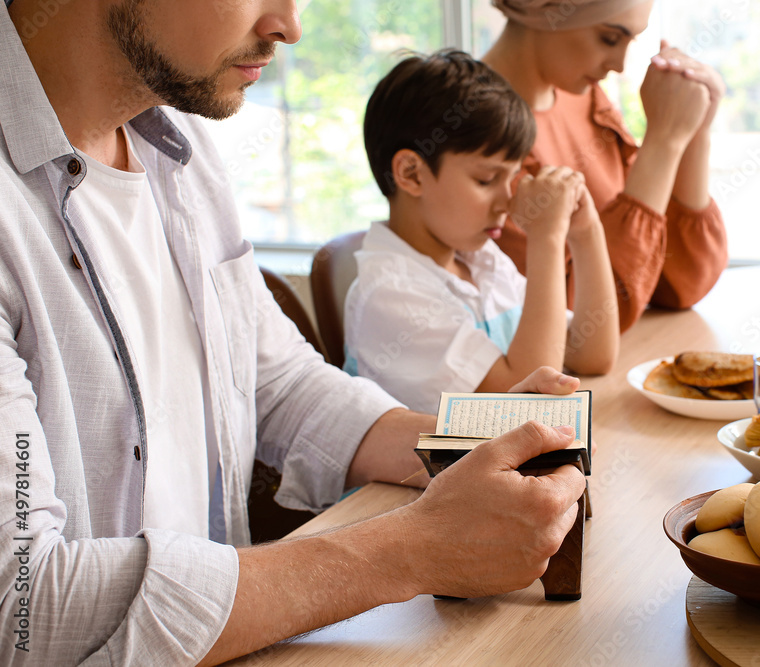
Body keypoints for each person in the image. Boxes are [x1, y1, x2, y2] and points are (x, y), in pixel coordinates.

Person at [0, 1, 586, 664]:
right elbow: (22, 607)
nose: (289, 25)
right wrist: (412, 549)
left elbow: (279, 382)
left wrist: (479, 444)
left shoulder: (181, 158)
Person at [344, 50, 619, 414]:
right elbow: (528, 407)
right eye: (486, 179)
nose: (507, 201)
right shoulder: (391, 293)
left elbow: (592, 355)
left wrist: (585, 233)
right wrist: (546, 238)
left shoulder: (479, 260)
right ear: (411, 173)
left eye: (513, 176)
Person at [482, 0, 729, 332]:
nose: (619, 65)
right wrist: (664, 142)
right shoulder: (477, 130)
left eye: (631, 42)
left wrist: (694, 133)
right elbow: (579, 325)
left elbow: (681, 283)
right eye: (610, 38)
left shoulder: (583, 96)